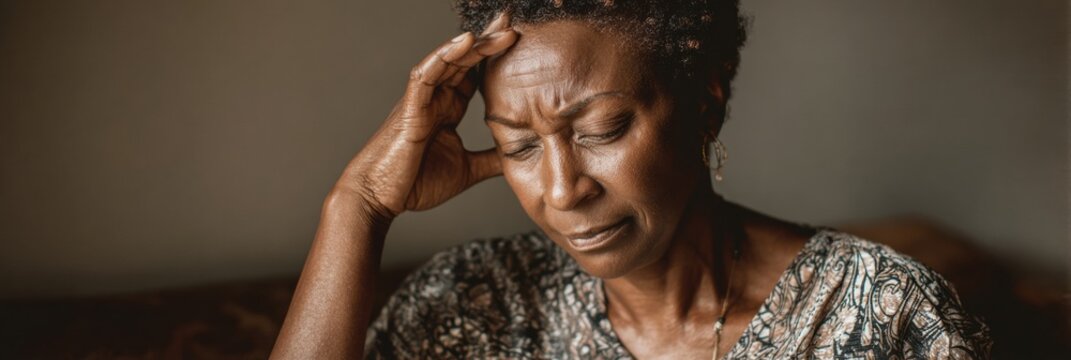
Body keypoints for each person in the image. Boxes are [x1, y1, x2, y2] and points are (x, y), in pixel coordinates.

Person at [271, 1, 991, 358]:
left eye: (600, 131)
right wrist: (357, 204)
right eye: (517, 146)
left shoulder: (880, 312)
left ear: (702, 98)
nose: (561, 190)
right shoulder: (475, 307)